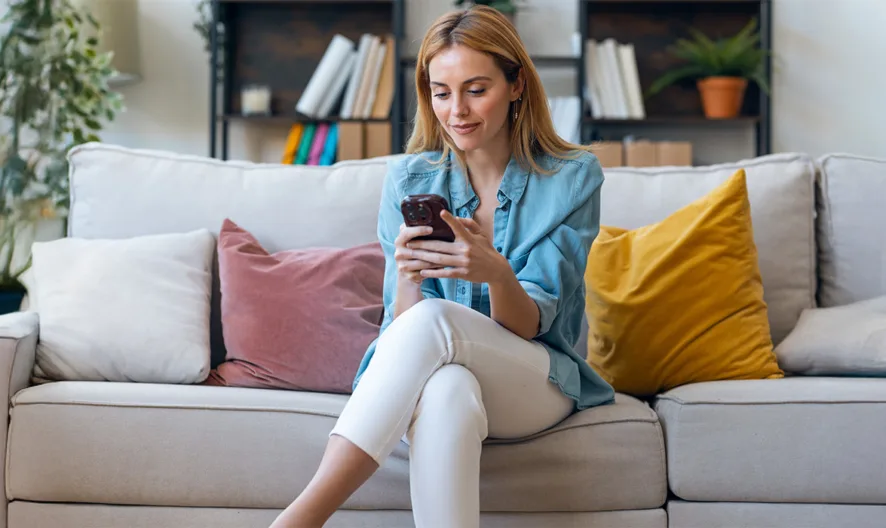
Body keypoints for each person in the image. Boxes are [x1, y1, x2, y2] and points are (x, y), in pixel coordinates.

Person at [270, 6, 615, 528]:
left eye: (477, 89)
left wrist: (495, 272)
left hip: (536, 381)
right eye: (442, 92)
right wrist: (408, 273)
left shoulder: (571, 178)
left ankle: (301, 518)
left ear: (516, 84)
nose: (458, 111)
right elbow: (399, 326)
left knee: (436, 324)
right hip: (439, 370)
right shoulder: (408, 178)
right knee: (447, 388)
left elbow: (529, 326)